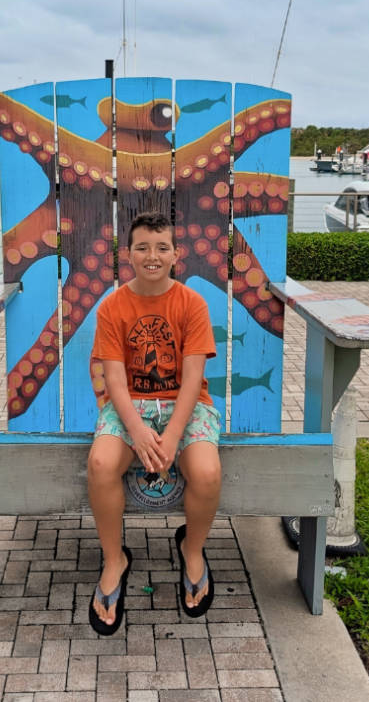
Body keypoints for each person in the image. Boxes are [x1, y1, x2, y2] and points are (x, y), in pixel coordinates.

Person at [86, 211, 221, 635]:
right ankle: (115, 559)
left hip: (185, 405)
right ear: (127, 254)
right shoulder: (112, 307)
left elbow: (195, 379)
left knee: (206, 471)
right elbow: (115, 381)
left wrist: (172, 436)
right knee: (101, 465)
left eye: (162, 247)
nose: (152, 255)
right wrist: (140, 432)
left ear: (176, 255)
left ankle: (193, 549)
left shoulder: (192, 303)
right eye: (142, 247)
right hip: (131, 406)